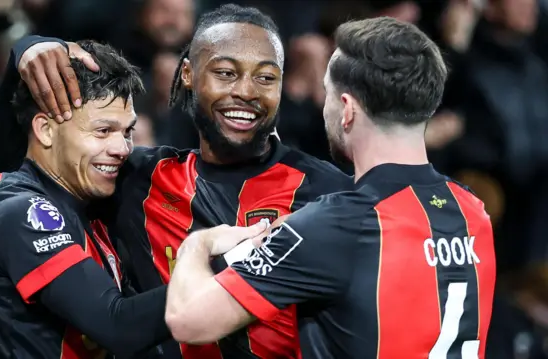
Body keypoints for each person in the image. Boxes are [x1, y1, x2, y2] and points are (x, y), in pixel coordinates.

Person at [0, 4, 353, 358]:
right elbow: (14, 163)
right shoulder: (136, 178)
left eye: (266, 77)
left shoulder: (328, 195)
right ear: (188, 74)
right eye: (225, 72)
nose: (246, 91)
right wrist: (27, 53)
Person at [164, 17, 498, 359]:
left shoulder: (334, 225)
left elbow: (187, 320)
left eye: (327, 94)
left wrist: (199, 242)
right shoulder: (474, 213)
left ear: (347, 110)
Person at [0, 40, 179, 359]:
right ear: (46, 130)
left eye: (127, 132)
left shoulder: (86, 205)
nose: (122, 148)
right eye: (103, 131)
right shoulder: (21, 211)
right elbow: (116, 324)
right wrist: (234, 273)